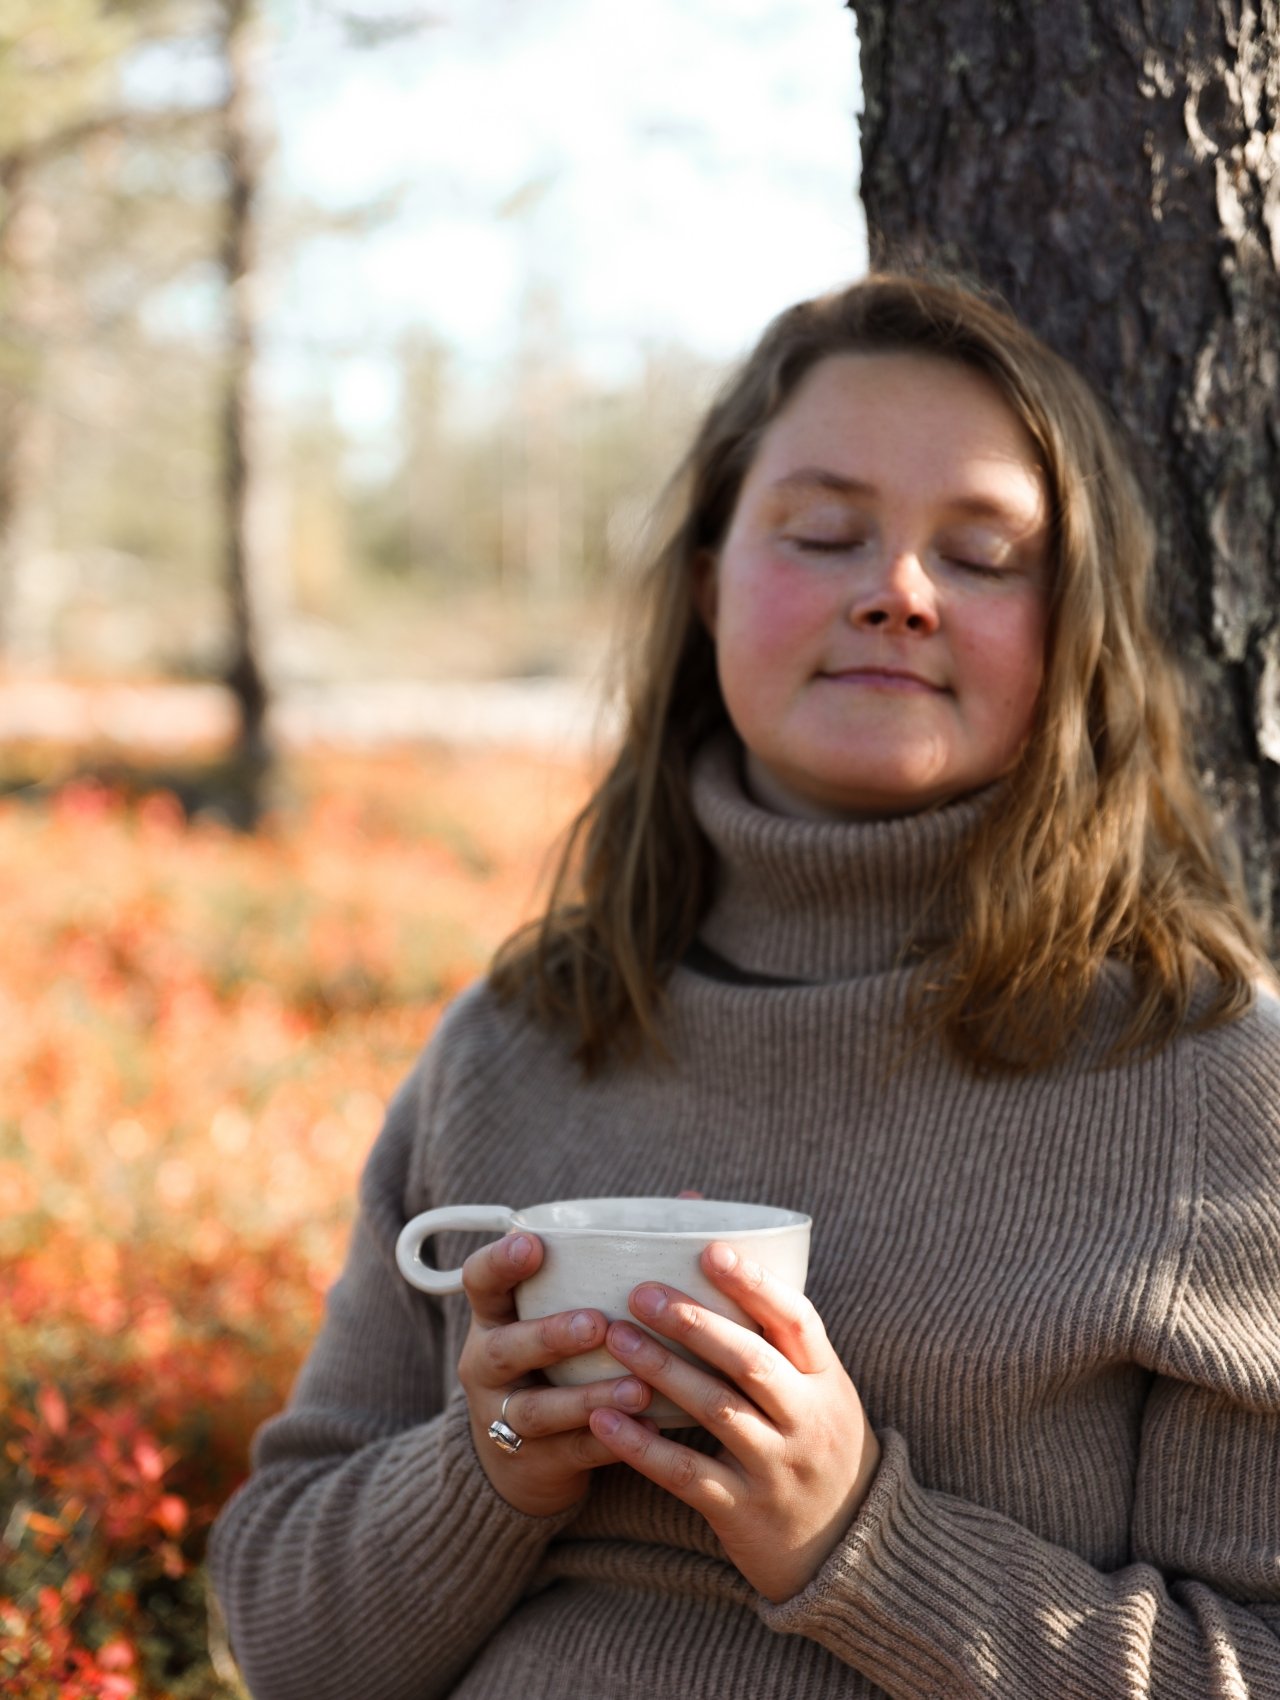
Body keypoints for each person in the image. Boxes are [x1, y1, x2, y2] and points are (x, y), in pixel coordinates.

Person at [207, 273, 1280, 1699]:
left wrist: (860, 1541)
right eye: (825, 532)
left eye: (982, 555)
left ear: (1075, 626)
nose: (895, 592)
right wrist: (490, 1470)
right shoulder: (523, 1039)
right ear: (709, 576)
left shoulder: (1201, 1074)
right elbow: (285, 1638)